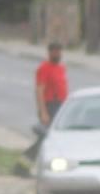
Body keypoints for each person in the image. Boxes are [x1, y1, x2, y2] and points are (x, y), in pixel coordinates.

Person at [18, 42, 69, 172]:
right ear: (49, 52)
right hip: (50, 106)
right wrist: (43, 112)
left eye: (59, 51)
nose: (58, 54)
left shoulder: (61, 68)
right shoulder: (44, 68)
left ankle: (53, 167)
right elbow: (39, 90)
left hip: (61, 107)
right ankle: (21, 166)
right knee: (44, 140)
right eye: (55, 51)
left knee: (52, 140)